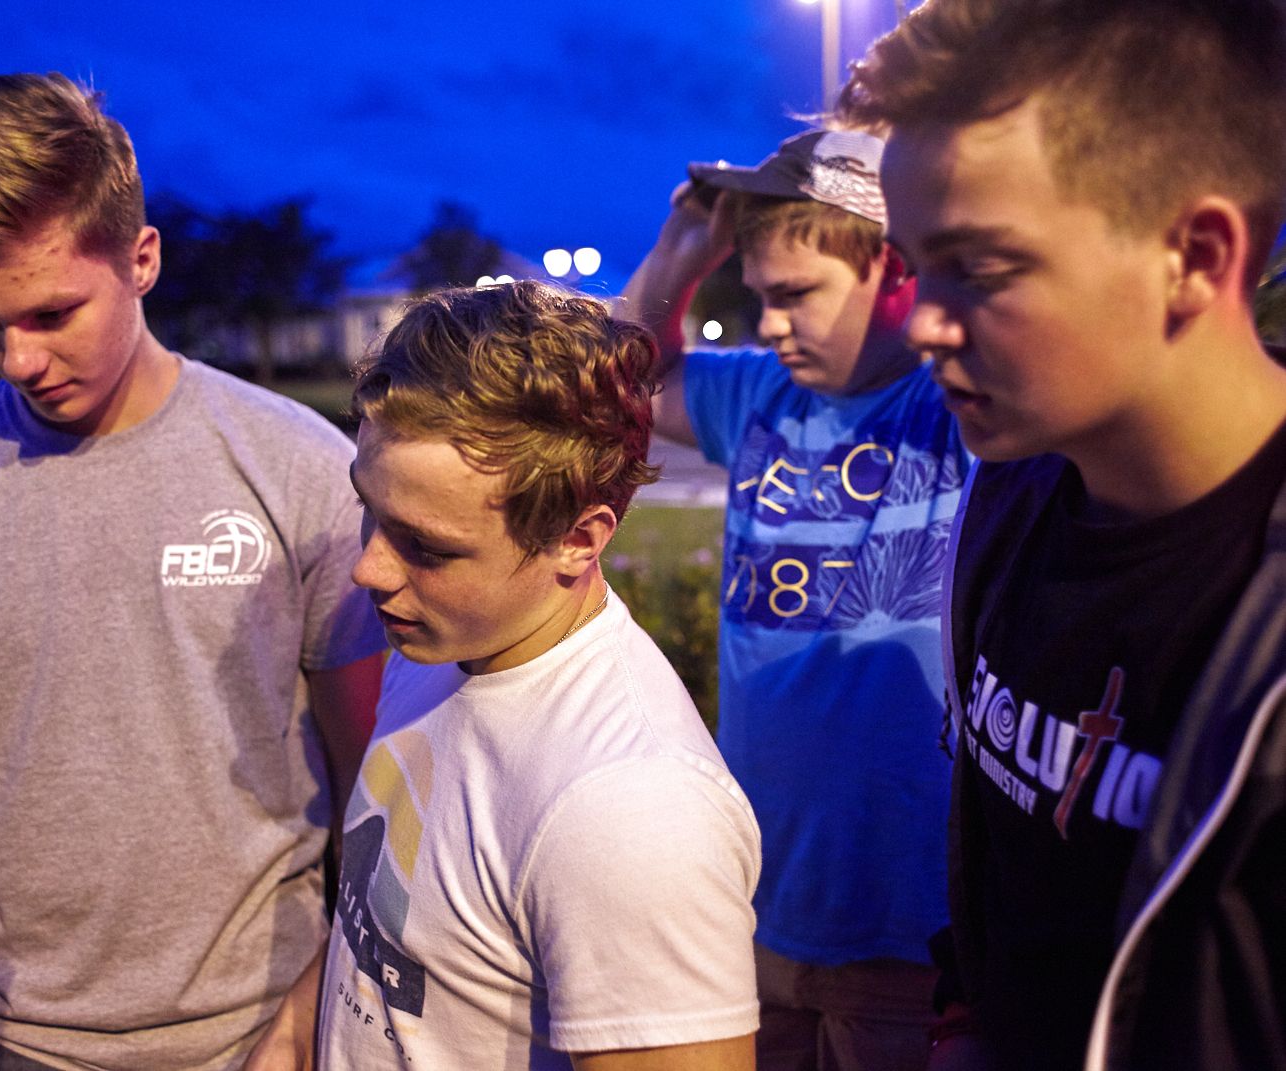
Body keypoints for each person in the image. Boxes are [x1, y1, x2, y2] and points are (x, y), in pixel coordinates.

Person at [0, 72, 385, 1070]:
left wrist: (318, 1000)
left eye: (53, 314)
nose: (19, 360)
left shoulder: (296, 464)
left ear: (142, 259)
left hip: (255, 1034)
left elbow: (373, 774)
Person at [837, 0, 1286, 1067]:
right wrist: (963, 1012)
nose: (919, 322)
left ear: (1193, 252)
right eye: (912, 267)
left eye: (979, 270)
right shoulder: (1015, 487)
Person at [316, 280, 762, 1070]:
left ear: (579, 538)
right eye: (371, 510)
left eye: (427, 546)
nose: (368, 569)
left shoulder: (632, 813)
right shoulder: (444, 644)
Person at [620, 129, 967, 1070]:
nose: (770, 325)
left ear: (897, 272)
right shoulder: (761, 395)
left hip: (906, 921)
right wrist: (677, 260)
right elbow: (620, 382)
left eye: (796, 296)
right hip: (758, 902)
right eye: (760, 296)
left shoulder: (956, 406)